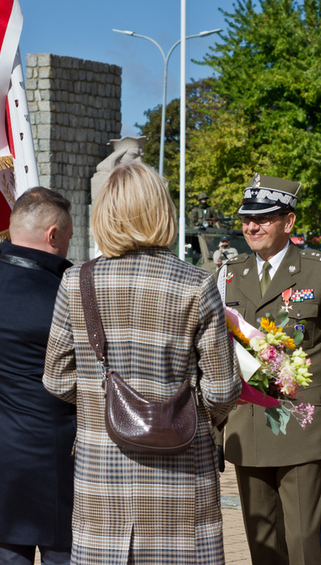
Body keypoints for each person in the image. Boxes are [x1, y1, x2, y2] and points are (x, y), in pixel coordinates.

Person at [43, 163, 241, 564]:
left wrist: (102, 404)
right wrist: (187, 410)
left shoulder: (76, 281)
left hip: (102, 478)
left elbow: (55, 379)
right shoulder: (196, 283)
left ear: (105, 215)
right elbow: (222, 390)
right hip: (181, 478)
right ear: (161, 211)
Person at [217, 173, 321, 564]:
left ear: (289, 222)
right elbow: (215, 358)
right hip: (246, 429)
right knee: (261, 543)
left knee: (302, 543)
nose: (252, 226)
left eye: (263, 218)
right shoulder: (228, 275)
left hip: (302, 427)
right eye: (247, 218)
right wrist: (214, 433)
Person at [0, 187, 76, 565]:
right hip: (57, 459)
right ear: (53, 234)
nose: (69, 248)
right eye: (68, 238)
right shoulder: (67, 293)